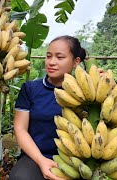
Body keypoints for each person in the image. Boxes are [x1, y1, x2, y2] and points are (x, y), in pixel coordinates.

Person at [9, 35, 87, 180]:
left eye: (60, 57)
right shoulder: (30, 89)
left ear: (76, 61)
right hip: (36, 156)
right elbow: (20, 129)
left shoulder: (85, 93)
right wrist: (41, 160)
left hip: (76, 158)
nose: (51, 62)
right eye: (48, 56)